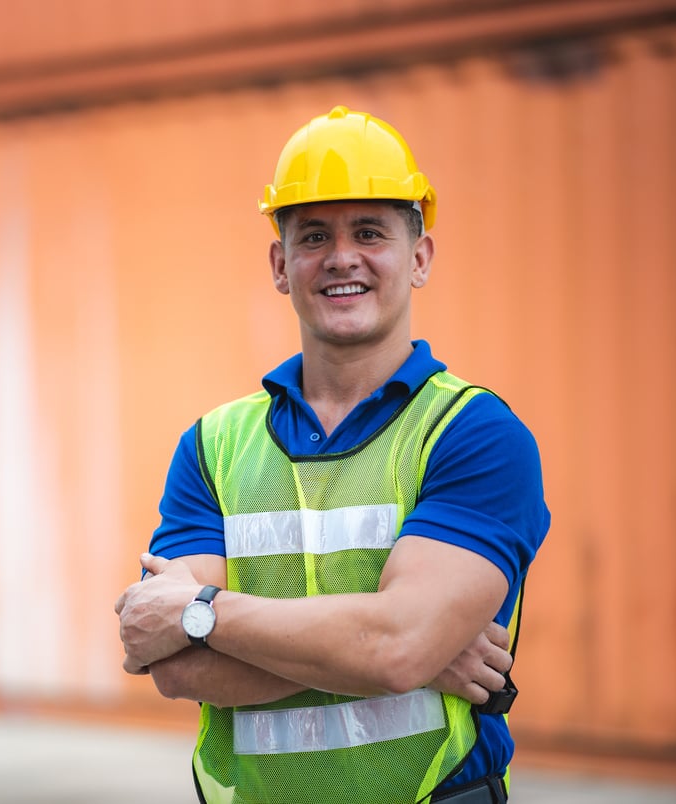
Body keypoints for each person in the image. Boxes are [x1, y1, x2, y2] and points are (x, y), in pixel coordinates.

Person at [114, 105, 550, 804]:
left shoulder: (474, 434)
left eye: (370, 232)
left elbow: (397, 646)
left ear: (420, 257)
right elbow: (174, 666)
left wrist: (200, 612)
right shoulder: (213, 445)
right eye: (314, 235)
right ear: (281, 265)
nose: (342, 256)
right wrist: (396, 652)